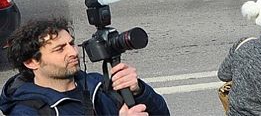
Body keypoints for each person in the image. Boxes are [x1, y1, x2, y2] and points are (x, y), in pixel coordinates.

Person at [0, 18, 169, 115]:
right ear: (31, 62)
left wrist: (139, 92)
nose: (73, 52)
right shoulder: (27, 112)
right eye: (60, 49)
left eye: (71, 44)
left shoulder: (98, 85)